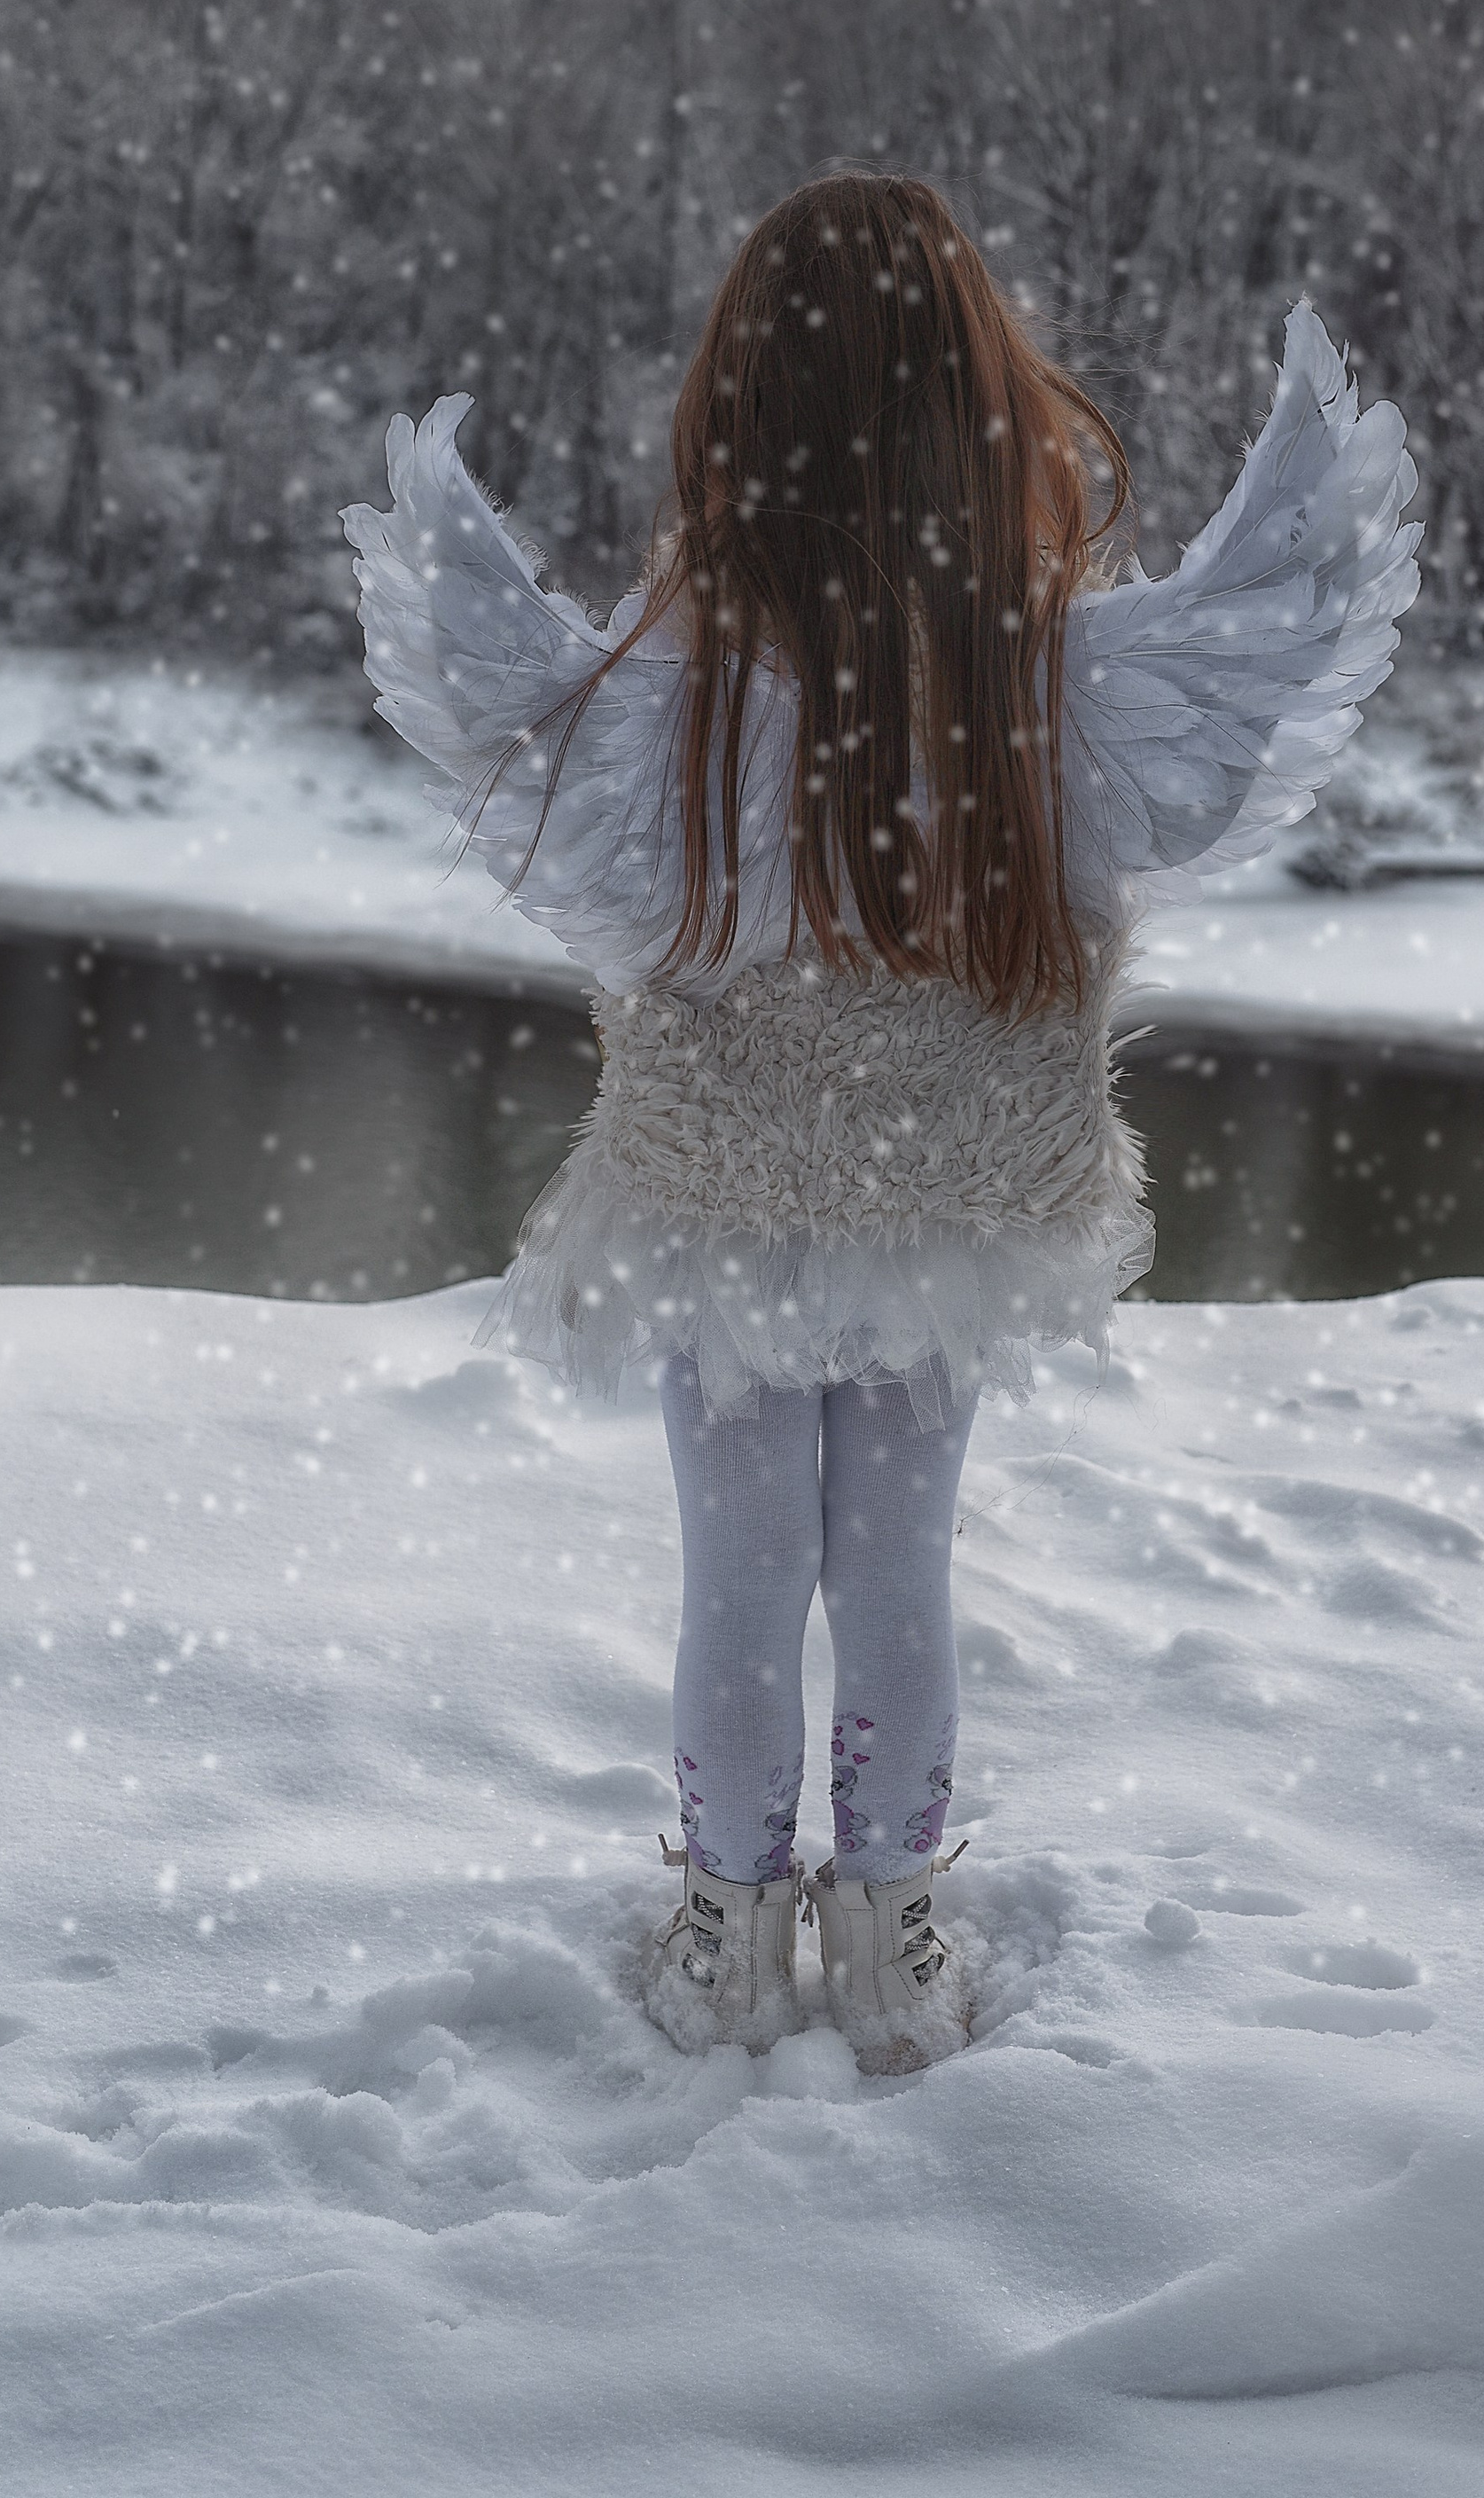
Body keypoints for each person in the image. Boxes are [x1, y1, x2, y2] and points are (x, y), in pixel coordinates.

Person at [344, 170, 1418, 2071]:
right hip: (947, 1212)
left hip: (725, 1207)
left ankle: (729, 1935)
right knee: (898, 1572)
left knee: (743, 1573)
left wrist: (454, 530)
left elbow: (547, 781)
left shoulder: (665, 704)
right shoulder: (1055, 690)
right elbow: (1255, 630)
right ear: (977, 404)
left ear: (738, 413)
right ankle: (893, 1939)